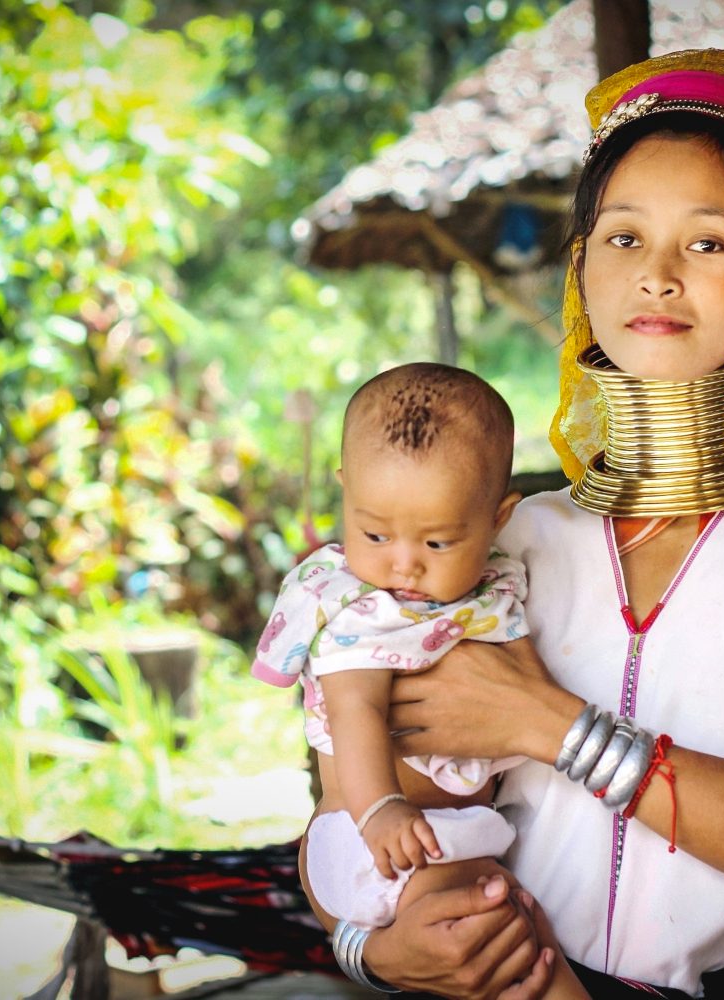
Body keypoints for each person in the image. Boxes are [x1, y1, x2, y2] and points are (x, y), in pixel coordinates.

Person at [297, 49, 724, 1000]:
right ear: (581, 267)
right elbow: (350, 798)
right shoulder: (499, 540)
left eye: (708, 243)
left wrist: (549, 725)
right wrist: (372, 951)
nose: (658, 277)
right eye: (623, 238)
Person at [253, 363, 587, 997]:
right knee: (498, 938)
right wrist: (382, 810)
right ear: (344, 492)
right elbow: (356, 713)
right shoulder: (358, 607)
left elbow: (529, 681)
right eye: (374, 532)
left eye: (437, 543)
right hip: (375, 840)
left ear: (497, 519)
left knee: (513, 940)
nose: (401, 563)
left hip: (444, 841)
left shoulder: (494, 586)